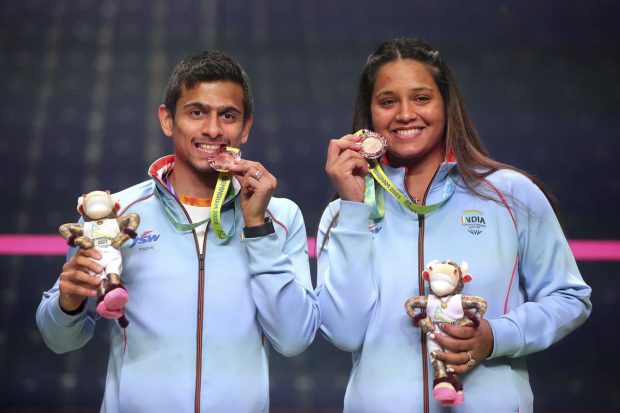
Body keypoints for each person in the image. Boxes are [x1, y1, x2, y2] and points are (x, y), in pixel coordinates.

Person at [316, 37, 592, 413]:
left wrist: (496, 336)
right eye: (387, 101)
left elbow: (569, 298)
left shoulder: (509, 195)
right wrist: (352, 208)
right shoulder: (345, 211)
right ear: (370, 114)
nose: (405, 114)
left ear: (447, 104)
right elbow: (345, 332)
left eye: (421, 98)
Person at [36, 50, 320, 412]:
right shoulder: (114, 213)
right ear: (167, 120)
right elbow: (59, 340)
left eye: (228, 115)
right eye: (197, 112)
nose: (213, 130)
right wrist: (68, 303)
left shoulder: (279, 217)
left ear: (246, 128)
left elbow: (294, 339)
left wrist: (256, 226)